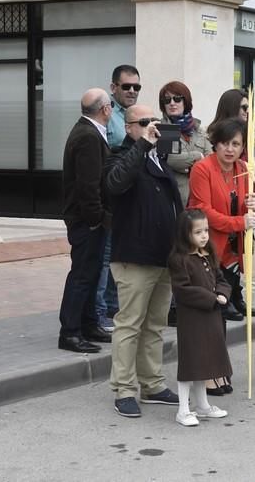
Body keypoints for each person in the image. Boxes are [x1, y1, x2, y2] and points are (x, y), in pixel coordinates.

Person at [105, 103, 183, 417]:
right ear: (129, 127)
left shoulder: (158, 159)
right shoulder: (120, 155)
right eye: (145, 122)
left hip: (162, 255)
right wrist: (142, 145)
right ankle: (124, 388)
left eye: (155, 121)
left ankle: (152, 383)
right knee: (129, 325)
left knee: (155, 325)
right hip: (134, 257)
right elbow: (115, 183)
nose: (153, 126)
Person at [188, 117, 255, 395]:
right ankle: (207, 373)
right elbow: (204, 210)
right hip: (206, 248)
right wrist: (240, 222)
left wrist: (253, 203)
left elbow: (245, 207)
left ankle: (219, 369)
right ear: (215, 144)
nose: (230, 149)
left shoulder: (243, 169)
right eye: (225, 143)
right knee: (208, 315)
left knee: (222, 315)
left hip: (231, 253)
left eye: (236, 144)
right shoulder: (202, 168)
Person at [58, 88, 114, 354]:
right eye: (111, 104)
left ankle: (88, 323)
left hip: (87, 219)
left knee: (90, 273)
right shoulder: (88, 136)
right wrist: (96, 219)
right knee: (82, 274)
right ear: (104, 109)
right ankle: (70, 331)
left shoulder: (87, 131)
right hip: (86, 220)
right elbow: (88, 185)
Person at [168, 209, 232, 427]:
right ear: (185, 234)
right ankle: (183, 409)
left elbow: (221, 278)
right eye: (198, 232)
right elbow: (183, 289)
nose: (204, 235)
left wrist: (223, 293)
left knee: (205, 360)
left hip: (211, 315)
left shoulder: (208, 254)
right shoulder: (179, 259)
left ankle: (202, 405)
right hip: (192, 318)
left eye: (205, 230)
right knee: (190, 361)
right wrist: (212, 298)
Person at [96, 65, 142, 333]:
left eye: (137, 87)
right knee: (105, 259)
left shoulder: (135, 115)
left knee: (119, 258)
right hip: (110, 197)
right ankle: (99, 312)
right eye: (127, 86)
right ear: (113, 88)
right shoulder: (108, 115)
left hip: (130, 201)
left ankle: (113, 306)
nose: (132, 91)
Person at [159, 81, 211, 204]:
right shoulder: (164, 127)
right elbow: (172, 160)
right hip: (176, 198)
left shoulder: (197, 128)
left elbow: (211, 158)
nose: (172, 103)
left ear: (185, 101)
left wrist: (188, 166)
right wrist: (198, 156)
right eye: (167, 100)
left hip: (201, 195)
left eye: (177, 99)